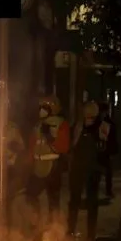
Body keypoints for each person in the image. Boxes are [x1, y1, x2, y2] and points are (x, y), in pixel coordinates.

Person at [67, 101, 111, 241]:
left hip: (93, 168)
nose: (88, 116)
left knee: (92, 201)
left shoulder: (101, 127)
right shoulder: (78, 126)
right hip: (78, 167)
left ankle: (90, 233)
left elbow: (108, 147)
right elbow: (71, 144)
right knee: (74, 199)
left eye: (90, 114)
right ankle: (70, 229)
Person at [26, 95, 70, 228]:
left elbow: (63, 147)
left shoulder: (61, 124)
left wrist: (50, 137)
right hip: (39, 167)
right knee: (31, 194)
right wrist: (28, 163)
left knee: (53, 201)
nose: (41, 111)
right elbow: (32, 146)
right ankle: (36, 224)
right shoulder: (38, 126)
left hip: (53, 167)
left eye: (44, 108)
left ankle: (54, 230)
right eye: (40, 108)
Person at [98, 102, 119, 198]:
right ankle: (107, 190)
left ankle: (108, 190)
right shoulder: (100, 122)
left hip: (104, 150)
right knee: (104, 170)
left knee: (107, 171)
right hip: (101, 150)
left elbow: (113, 138)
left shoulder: (107, 122)